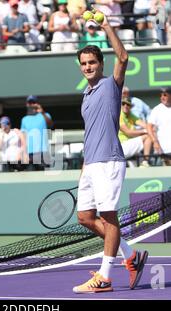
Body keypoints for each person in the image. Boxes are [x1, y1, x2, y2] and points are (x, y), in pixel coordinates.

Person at [73, 12, 148, 294]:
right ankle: (130, 255)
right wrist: (83, 164)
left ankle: (104, 276)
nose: (88, 67)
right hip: (91, 163)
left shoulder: (111, 85)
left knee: (108, 217)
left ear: (101, 64)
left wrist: (106, 26)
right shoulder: (86, 95)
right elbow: (90, 132)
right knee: (84, 217)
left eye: (92, 62)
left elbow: (124, 57)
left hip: (110, 162)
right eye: (84, 64)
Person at [20, 95, 53, 171]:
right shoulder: (24, 119)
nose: (32, 105)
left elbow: (50, 125)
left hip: (43, 152)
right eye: (30, 103)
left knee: (45, 177)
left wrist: (42, 112)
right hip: (29, 153)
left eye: (33, 102)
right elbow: (23, 137)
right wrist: (24, 153)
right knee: (30, 177)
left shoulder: (45, 115)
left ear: (37, 104)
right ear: (27, 105)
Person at [118, 97, 152, 167]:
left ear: (130, 107)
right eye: (123, 104)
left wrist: (150, 130)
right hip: (121, 147)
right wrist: (146, 131)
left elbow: (145, 125)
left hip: (129, 146)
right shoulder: (119, 114)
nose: (125, 106)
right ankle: (146, 161)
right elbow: (128, 132)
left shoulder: (130, 115)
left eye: (128, 105)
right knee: (148, 136)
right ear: (120, 105)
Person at [147, 87, 171, 165]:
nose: (162, 97)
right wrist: (155, 142)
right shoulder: (157, 110)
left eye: (165, 95)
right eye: (161, 95)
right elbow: (149, 126)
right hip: (164, 150)